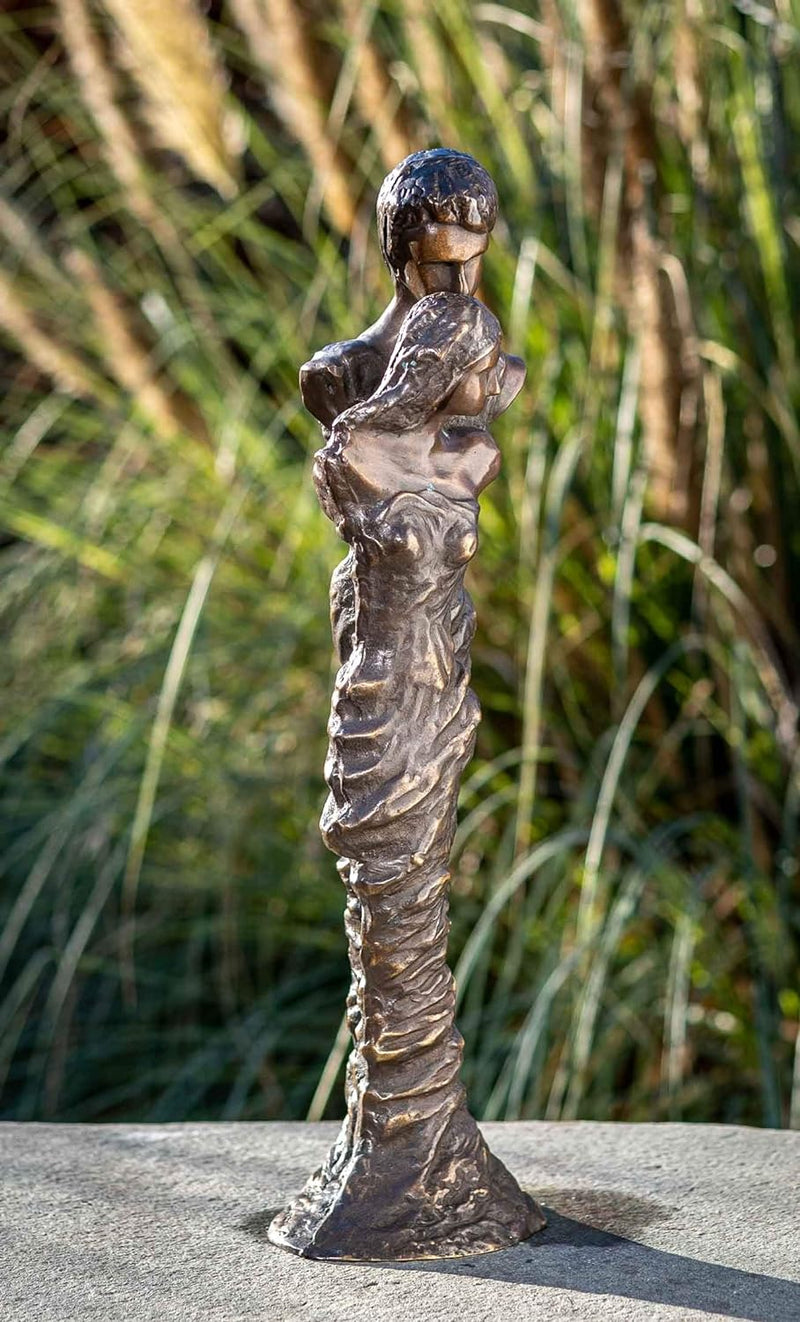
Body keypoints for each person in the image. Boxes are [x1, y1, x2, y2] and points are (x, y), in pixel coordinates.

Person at [300, 148, 524, 430]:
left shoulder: (504, 373)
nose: (460, 285)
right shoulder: (339, 375)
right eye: (440, 264)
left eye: (473, 261)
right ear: (395, 255)